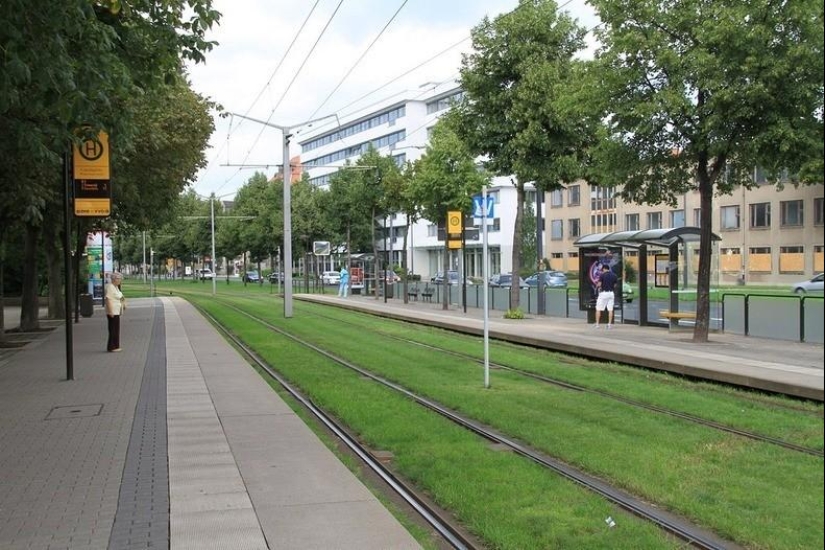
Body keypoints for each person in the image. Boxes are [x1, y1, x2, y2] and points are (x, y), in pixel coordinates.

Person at [105, 272, 126, 351]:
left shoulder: (116, 287)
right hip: (113, 312)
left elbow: (121, 296)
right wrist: (110, 311)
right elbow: (108, 299)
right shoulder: (110, 287)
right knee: (113, 329)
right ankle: (111, 347)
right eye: (119, 279)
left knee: (116, 329)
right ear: (114, 279)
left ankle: (116, 346)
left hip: (117, 311)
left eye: (121, 279)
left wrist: (124, 304)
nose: (120, 280)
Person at [593, 263, 618, 329]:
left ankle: (597, 324)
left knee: (598, 309)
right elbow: (615, 285)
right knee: (610, 309)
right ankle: (609, 324)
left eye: (602, 269)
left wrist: (597, 286)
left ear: (604, 269)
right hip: (611, 293)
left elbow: (599, 284)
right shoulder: (614, 275)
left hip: (603, 293)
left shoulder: (602, 275)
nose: (602, 271)